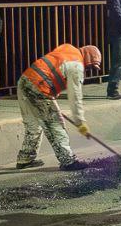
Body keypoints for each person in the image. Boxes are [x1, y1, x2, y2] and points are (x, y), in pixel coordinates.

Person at [15, 43, 102, 171]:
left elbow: (54, 69)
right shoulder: (77, 65)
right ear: (88, 59)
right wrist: (80, 122)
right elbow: (75, 97)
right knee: (55, 124)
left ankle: (25, 159)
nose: (88, 70)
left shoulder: (68, 48)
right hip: (40, 88)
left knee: (33, 124)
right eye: (90, 67)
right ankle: (67, 161)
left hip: (25, 81)